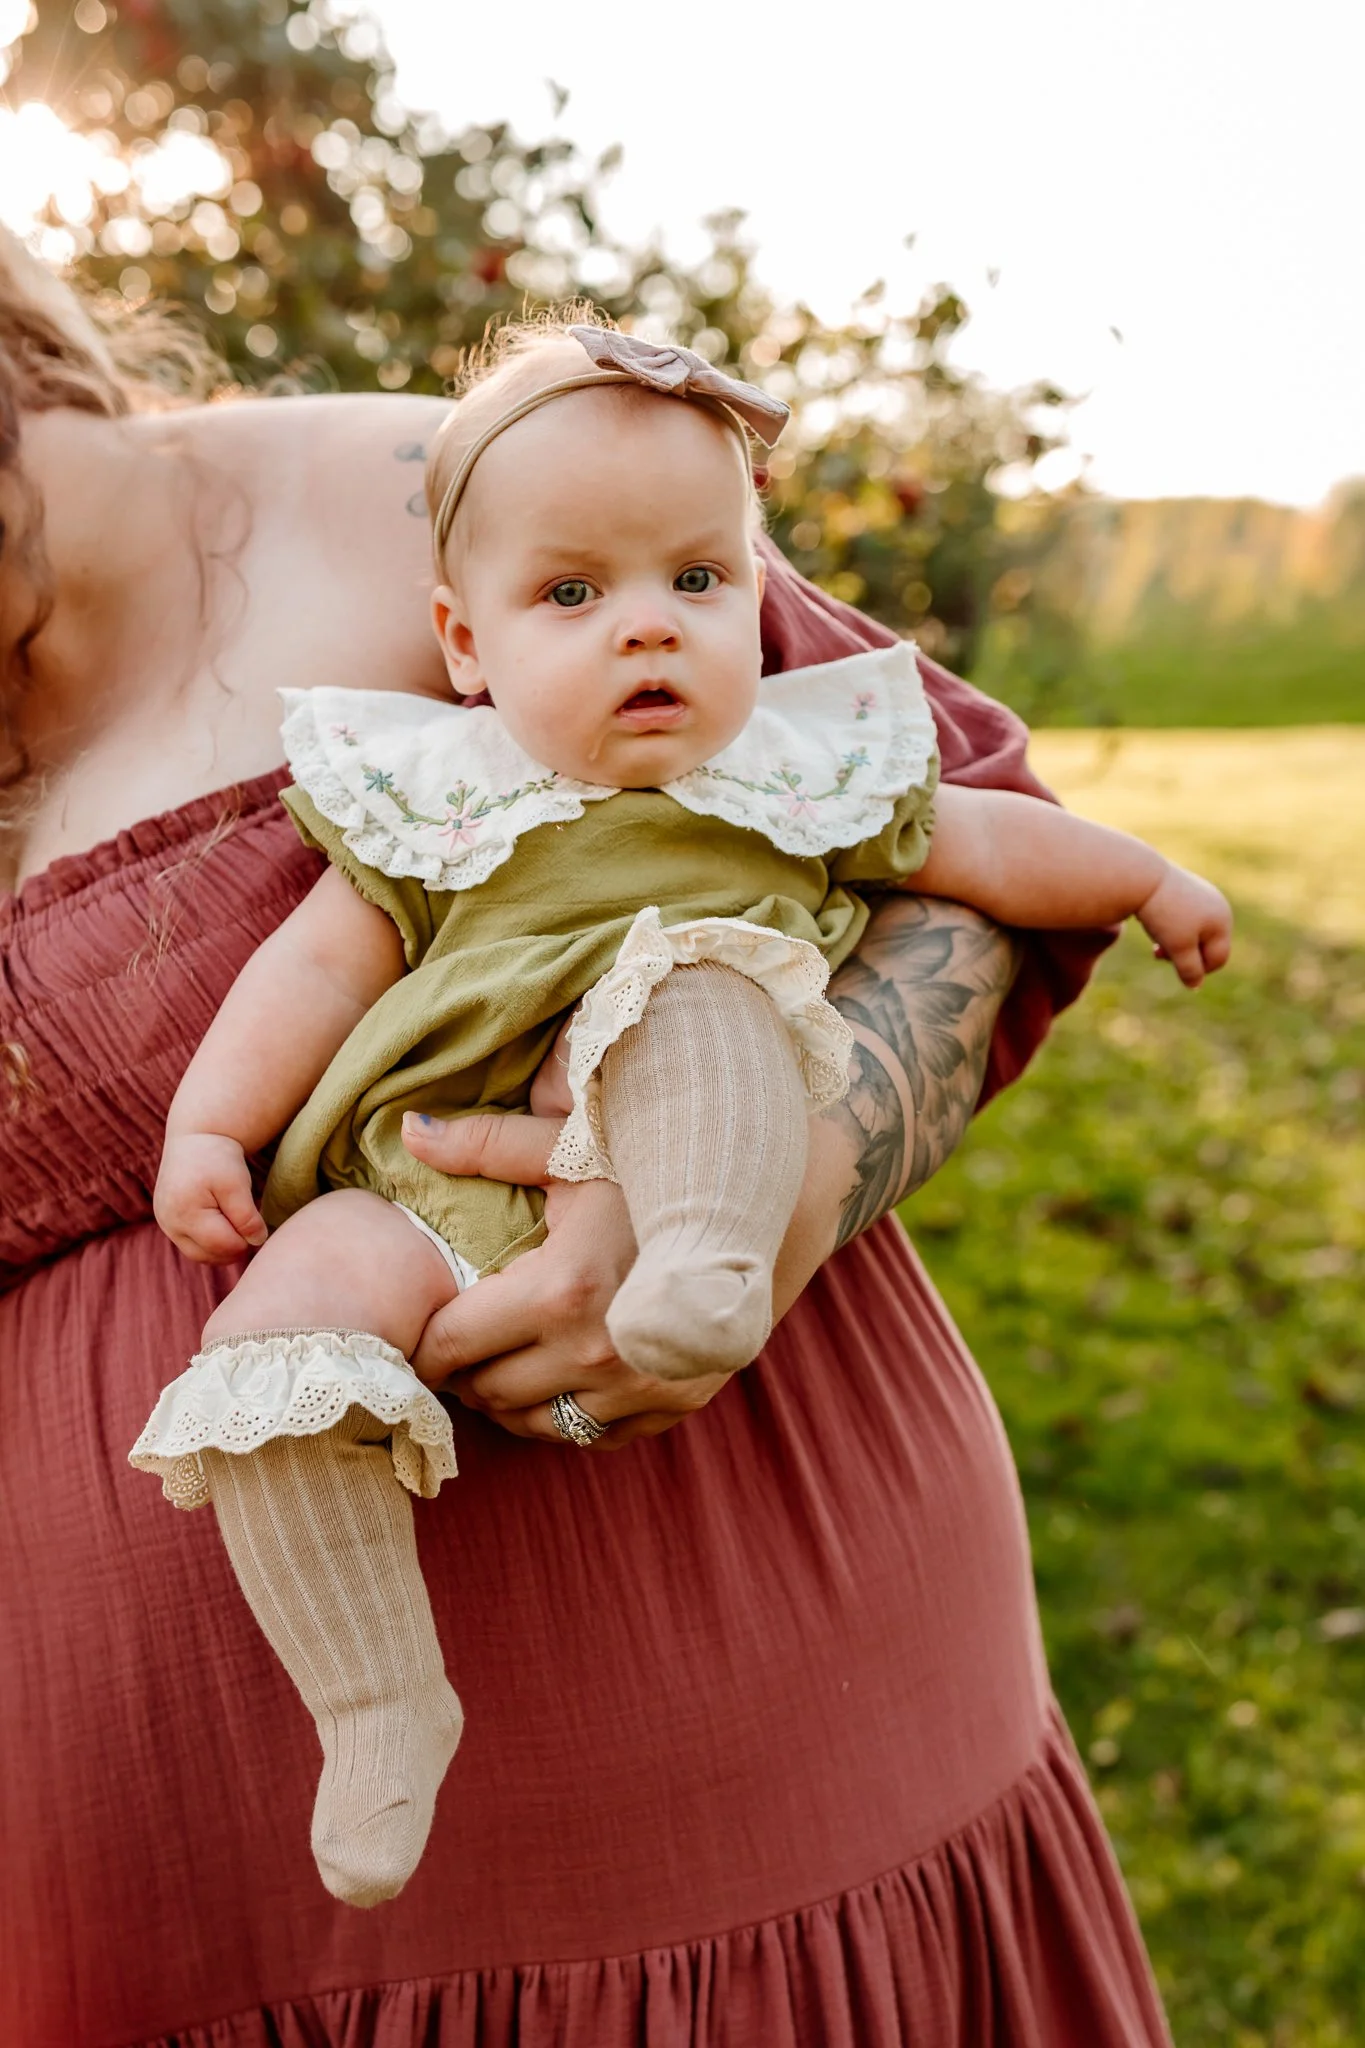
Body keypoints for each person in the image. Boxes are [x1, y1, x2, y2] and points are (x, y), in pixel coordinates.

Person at [0, 229, 1172, 2045]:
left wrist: (778, 1183)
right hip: (119, 1932)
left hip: (750, 1804)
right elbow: (320, 970)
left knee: (688, 1003)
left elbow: (971, 841)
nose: (650, 615)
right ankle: (377, 1690)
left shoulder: (498, 493)